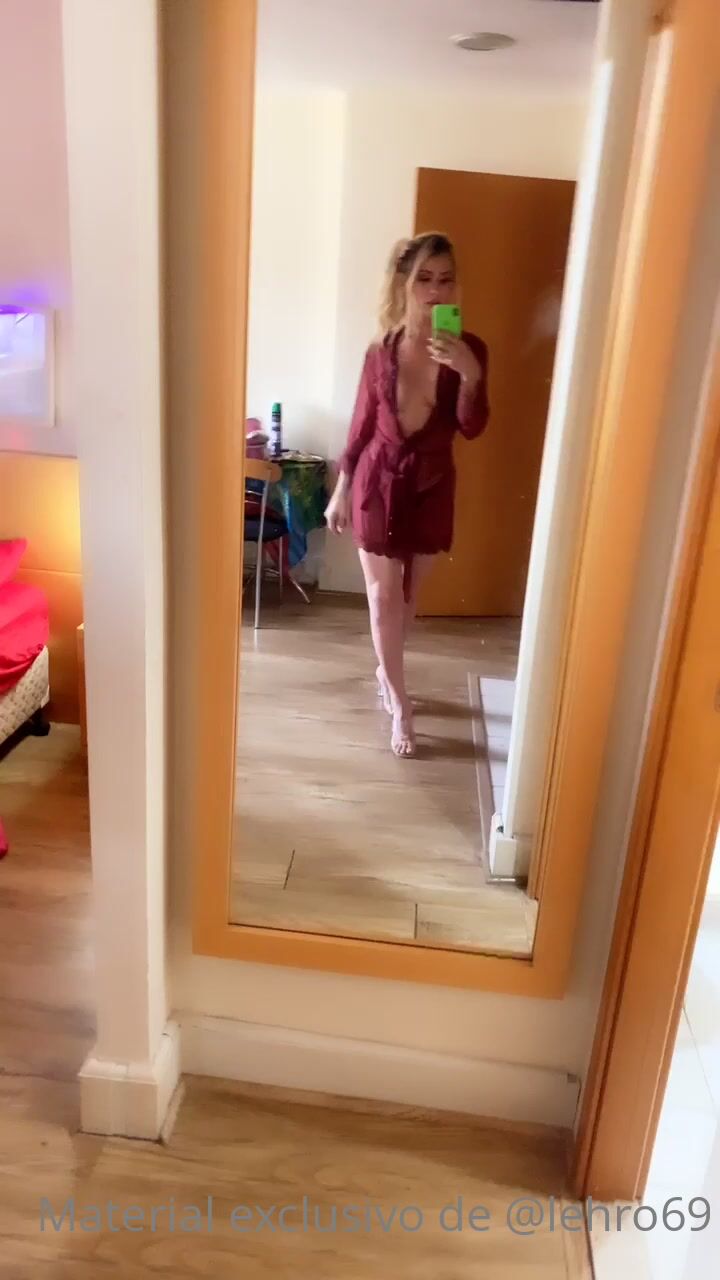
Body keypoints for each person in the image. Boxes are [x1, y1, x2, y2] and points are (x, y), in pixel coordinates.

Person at [324, 231, 490, 758]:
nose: (436, 292)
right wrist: (340, 490)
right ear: (404, 283)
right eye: (424, 279)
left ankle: (386, 667)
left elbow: (472, 427)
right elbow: (361, 427)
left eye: (446, 280)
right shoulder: (382, 352)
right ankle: (400, 701)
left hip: (432, 485)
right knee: (382, 597)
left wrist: (470, 376)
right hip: (378, 480)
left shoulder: (470, 350)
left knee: (409, 597)